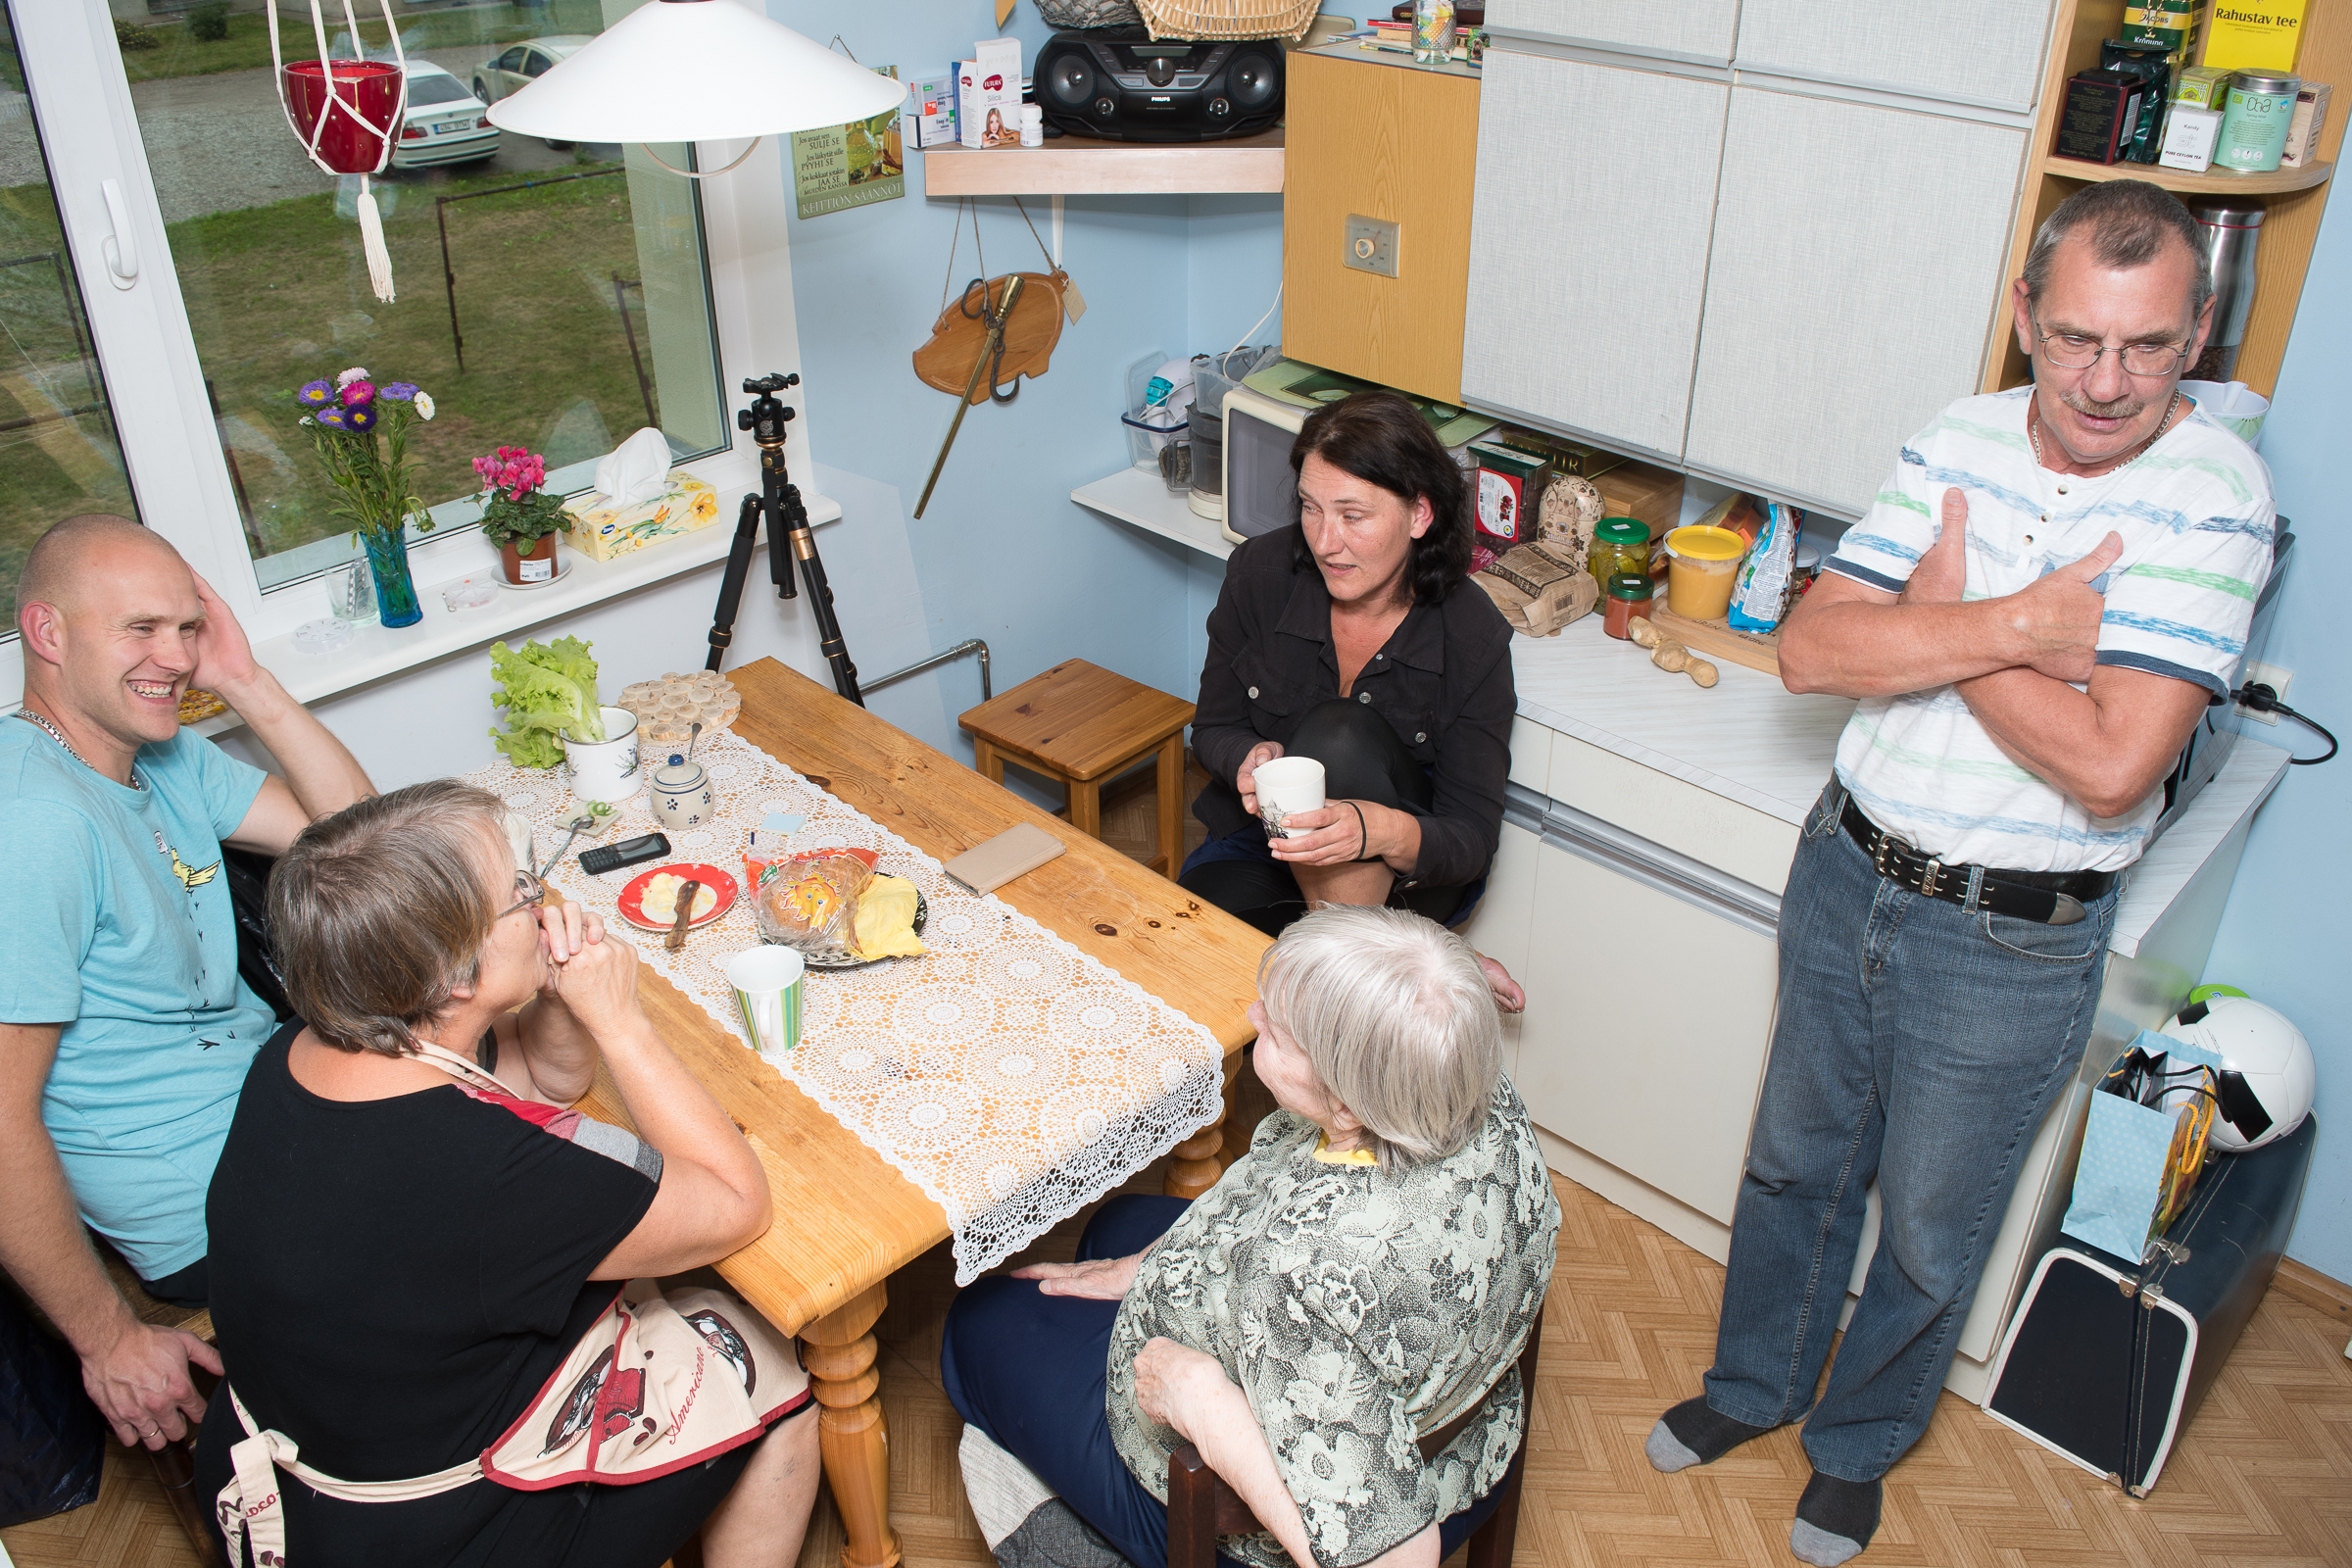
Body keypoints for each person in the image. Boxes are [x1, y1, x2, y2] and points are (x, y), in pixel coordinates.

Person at [1646, 180, 2276, 1567]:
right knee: (1793, 1167)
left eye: (2148, 347)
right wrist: (2026, 629)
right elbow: (1813, 651)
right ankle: (1752, 1386)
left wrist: (1940, 622)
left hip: (2010, 939)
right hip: (1848, 869)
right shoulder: (1961, 433)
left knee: (1933, 1229)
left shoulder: (2216, 502)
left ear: (2197, 335)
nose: (2104, 382)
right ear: (2025, 315)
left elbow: (2111, 765)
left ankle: (1857, 1445)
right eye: (2076, 338)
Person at [193, 780, 821, 1567]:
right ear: (454, 975)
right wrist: (620, 1020)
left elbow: (544, 1081)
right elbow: (736, 1204)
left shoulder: (298, 1050)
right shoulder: (491, 1170)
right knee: (764, 1356)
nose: (541, 900)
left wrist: (555, 990)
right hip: (434, 1534)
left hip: (306, 1448)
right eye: (523, 891)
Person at [943, 906, 1559, 1568]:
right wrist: (1145, 1266)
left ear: (1347, 1102)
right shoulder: (1467, 1085)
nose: (1253, 1015)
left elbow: (1400, 1561)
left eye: (1281, 1033)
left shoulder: (1300, 1276)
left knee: (977, 1322)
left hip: (1230, 1513)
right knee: (1113, 1225)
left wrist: (1204, 1404)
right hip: (1461, 1428)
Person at [0, 514, 374, 1455]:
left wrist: (246, 681)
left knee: (510, 1051)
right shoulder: (33, 822)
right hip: (202, 1193)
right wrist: (108, 1340)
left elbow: (367, 844)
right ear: (48, 633)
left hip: (274, 1097)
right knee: (513, 1158)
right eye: (141, 629)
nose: (173, 658)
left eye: (187, 628)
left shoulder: (154, 751)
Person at [1182, 390, 1524, 1009]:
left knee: (1338, 735)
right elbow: (1213, 728)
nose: (1324, 541)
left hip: (1404, 874)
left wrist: (1375, 831)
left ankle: (1371, 959)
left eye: (1353, 516)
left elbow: (1470, 840)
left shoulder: (1471, 638)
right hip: (1267, 846)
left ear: (1419, 514)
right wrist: (1245, 759)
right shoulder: (1259, 576)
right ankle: (1406, 959)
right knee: (1197, 956)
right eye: (1310, 508)